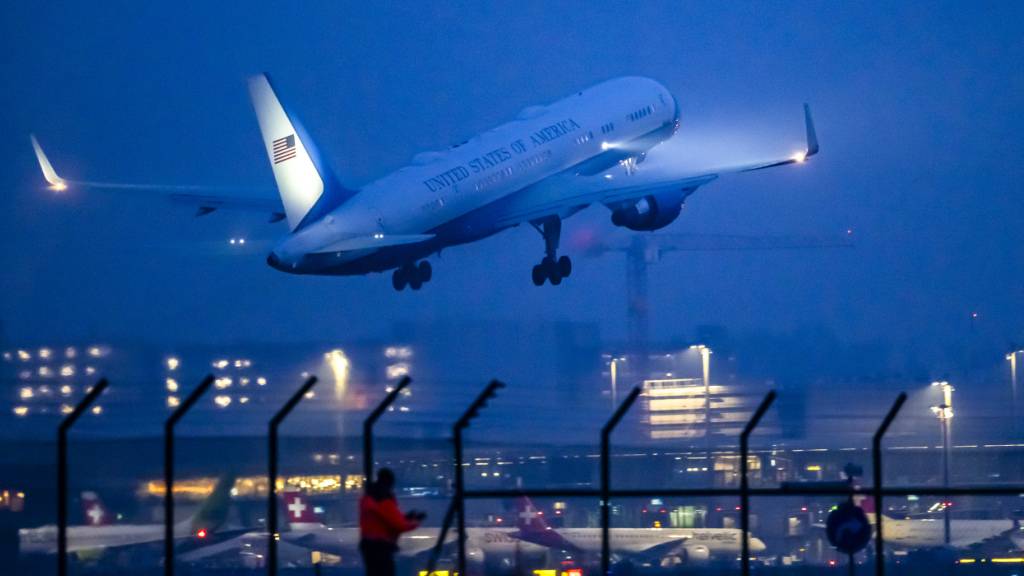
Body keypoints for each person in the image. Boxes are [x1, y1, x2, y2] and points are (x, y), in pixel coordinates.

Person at [359, 468, 425, 576]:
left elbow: (383, 520)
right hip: (381, 549)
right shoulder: (383, 500)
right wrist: (416, 521)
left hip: (368, 546)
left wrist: (405, 517)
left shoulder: (368, 498)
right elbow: (399, 525)